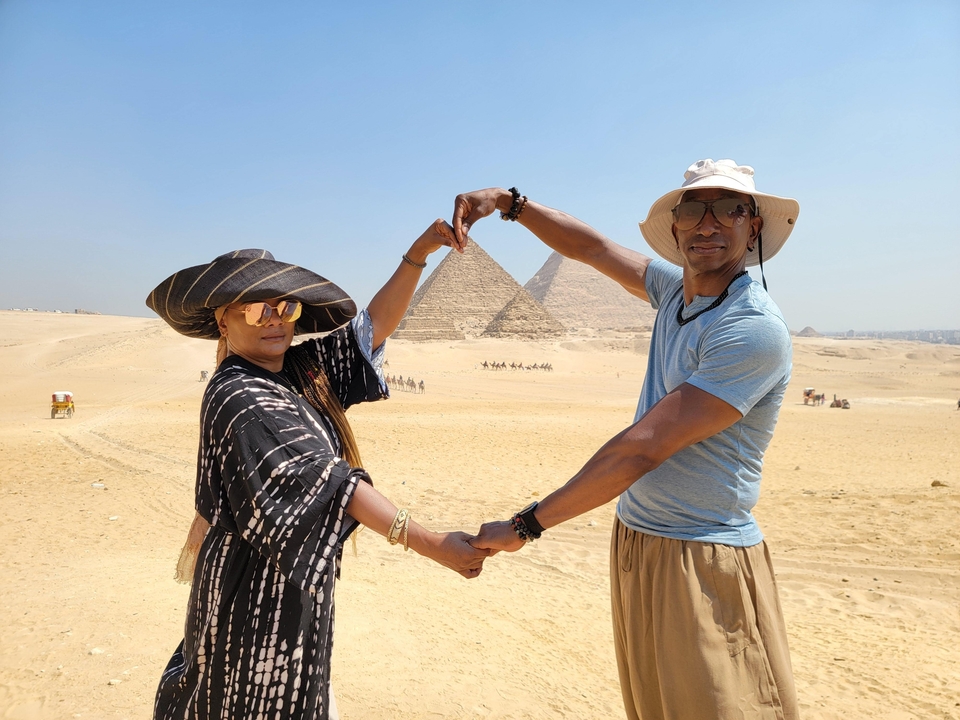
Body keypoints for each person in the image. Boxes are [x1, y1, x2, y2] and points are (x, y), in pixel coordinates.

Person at [456, 159, 801, 719]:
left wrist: (525, 526)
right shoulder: (674, 295)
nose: (707, 225)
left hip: (702, 554)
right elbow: (590, 248)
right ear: (676, 225)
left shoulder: (751, 327)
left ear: (753, 226)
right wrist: (509, 204)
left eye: (728, 210)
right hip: (637, 539)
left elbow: (641, 448)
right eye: (693, 210)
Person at [146, 219, 488, 720]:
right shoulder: (240, 394)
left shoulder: (294, 370)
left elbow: (369, 331)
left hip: (296, 588)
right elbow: (329, 483)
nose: (276, 319)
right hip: (251, 595)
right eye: (260, 308)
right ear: (224, 321)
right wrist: (432, 543)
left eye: (287, 306)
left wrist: (418, 252)